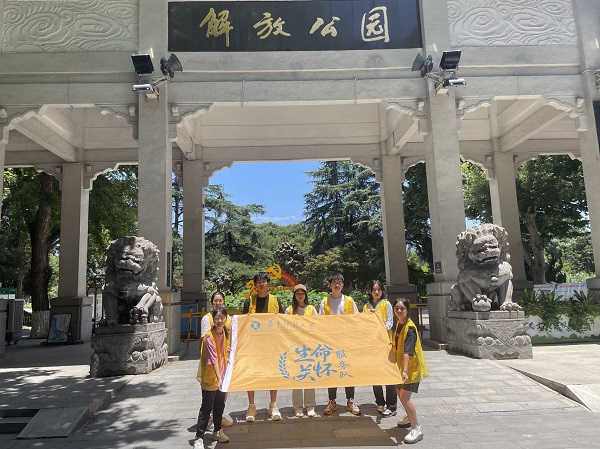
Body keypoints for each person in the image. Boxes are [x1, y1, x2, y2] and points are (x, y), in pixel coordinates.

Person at [242, 271, 285, 422]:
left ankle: (273, 405)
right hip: (253, 344)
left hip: (271, 344)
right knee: (251, 374)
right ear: (255, 285)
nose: (261, 284)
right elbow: (242, 323)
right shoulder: (249, 302)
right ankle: (251, 406)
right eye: (258, 282)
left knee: (272, 373)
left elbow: (283, 320)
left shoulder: (275, 300)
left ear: (268, 284)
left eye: (264, 281)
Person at [318, 273, 361, 416]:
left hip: (346, 341)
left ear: (343, 284)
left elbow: (357, 319)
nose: (337, 285)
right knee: (331, 371)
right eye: (334, 282)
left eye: (339, 282)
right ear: (329, 284)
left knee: (347, 369)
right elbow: (319, 321)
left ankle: (350, 401)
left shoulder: (349, 300)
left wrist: (347, 319)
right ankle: (332, 401)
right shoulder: (325, 301)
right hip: (330, 342)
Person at [392, 297, 429, 444]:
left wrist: (405, 371)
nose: (399, 311)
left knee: (405, 398)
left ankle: (416, 428)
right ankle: (409, 417)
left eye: (402, 308)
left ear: (407, 310)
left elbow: (408, 351)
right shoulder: (399, 323)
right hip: (400, 368)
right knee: (399, 393)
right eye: (397, 308)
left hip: (410, 370)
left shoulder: (410, 328)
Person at [194, 307, 231, 449]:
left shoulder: (225, 332)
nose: (219, 321)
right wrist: (219, 378)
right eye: (217, 318)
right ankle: (199, 437)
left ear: (226, 318)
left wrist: (227, 352)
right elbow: (213, 358)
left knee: (219, 405)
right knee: (206, 407)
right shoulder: (208, 337)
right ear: (213, 320)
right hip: (211, 376)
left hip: (222, 374)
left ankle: (217, 431)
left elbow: (223, 351)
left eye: (222, 318)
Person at [363, 280, 397, 417]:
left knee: (389, 374)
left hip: (385, 343)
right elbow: (363, 322)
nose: (376, 292)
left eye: (379, 289)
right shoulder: (366, 306)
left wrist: (382, 327)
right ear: (370, 291)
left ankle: (392, 405)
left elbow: (390, 321)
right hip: (372, 344)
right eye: (374, 290)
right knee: (375, 375)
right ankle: (380, 402)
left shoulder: (386, 304)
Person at [200, 291, 233, 429]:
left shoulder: (228, 318)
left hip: (224, 361)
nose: (218, 303)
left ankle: (218, 416)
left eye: (220, 300)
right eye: (215, 300)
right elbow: (206, 339)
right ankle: (208, 421)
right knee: (210, 393)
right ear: (211, 302)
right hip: (211, 362)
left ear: (224, 302)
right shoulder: (207, 318)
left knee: (222, 392)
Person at [285, 284, 318, 417]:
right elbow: (285, 327)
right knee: (297, 377)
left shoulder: (311, 309)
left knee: (310, 376)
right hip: (295, 348)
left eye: (302, 293)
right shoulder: (289, 310)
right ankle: (298, 407)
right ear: (294, 295)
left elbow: (318, 325)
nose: (300, 295)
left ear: (305, 295)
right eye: (297, 293)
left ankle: (310, 406)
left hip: (310, 347)